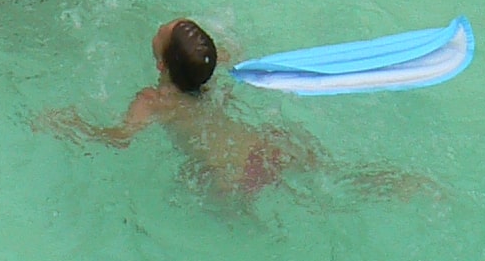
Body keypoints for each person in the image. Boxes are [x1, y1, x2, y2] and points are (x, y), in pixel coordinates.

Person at [42, 18, 313, 202]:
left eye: (161, 31)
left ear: (161, 65)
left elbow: (121, 138)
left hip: (227, 175)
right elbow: (229, 51)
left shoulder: (153, 101)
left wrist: (74, 125)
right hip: (264, 148)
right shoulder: (211, 72)